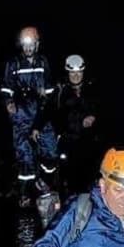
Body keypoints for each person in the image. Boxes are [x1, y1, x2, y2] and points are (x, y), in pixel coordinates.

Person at [0, 26, 60, 207]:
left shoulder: (43, 63)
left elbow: (50, 93)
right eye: (25, 44)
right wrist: (8, 102)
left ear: (37, 44)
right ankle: (25, 195)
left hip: (41, 116)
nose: (28, 48)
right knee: (25, 157)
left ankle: (45, 183)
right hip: (21, 117)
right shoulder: (14, 63)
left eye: (31, 44)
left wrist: (47, 100)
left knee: (50, 153)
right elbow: (5, 88)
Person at [35, 54, 101, 198]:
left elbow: (103, 110)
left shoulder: (93, 88)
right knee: (67, 183)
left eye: (79, 72)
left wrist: (94, 117)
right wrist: (36, 127)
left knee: (90, 182)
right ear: (68, 72)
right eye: (72, 73)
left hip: (89, 143)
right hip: (68, 142)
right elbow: (47, 111)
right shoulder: (60, 91)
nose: (76, 76)